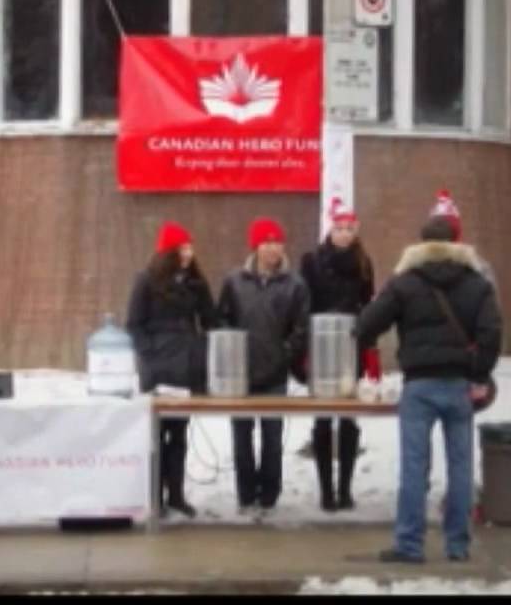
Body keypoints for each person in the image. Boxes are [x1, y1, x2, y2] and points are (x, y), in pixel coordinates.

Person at [357, 191, 502, 563]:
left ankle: (409, 545)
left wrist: (368, 339)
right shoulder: (477, 282)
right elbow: (492, 334)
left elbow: (366, 324)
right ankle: (458, 545)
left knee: (414, 467)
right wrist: (478, 373)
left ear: (421, 245)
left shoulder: (405, 281)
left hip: (419, 387)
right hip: (459, 385)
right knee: (461, 466)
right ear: (456, 243)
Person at [216, 217, 311, 517]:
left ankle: (269, 497)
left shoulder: (295, 284)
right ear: (255, 246)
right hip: (240, 375)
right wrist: (231, 353)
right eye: (266, 242)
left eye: (277, 242)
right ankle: (246, 496)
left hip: (275, 374)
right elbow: (222, 320)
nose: (273, 248)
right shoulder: (234, 281)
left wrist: (285, 353)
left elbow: (301, 327)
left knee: (272, 439)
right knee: (241, 438)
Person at [126, 221, 219, 519]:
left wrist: (203, 348)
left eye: (190, 248)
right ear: (168, 252)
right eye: (182, 248)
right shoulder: (146, 281)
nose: (188, 254)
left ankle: (176, 494)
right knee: (156, 434)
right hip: (157, 372)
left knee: (179, 433)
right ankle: (155, 496)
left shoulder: (195, 282)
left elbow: (210, 321)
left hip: (186, 369)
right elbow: (134, 325)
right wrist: (151, 355)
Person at [298, 198, 379, 512]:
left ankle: (345, 488)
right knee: (322, 419)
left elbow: (369, 306)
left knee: (348, 418)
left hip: (350, 346)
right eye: (339, 228)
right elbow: (304, 305)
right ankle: (326, 491)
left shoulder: (363, 263)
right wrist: (305, 348)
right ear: (329, 230)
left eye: (349, 228)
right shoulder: (311, 261)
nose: (344, 233)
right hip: (320, 346)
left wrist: (369, 349)